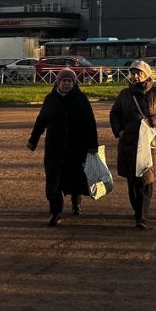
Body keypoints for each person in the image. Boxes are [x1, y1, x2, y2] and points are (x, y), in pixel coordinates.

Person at [28, 68, 98, 226]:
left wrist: (93, 145)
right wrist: (33, 140)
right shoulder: (51, 99)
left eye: (69, 81)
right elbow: (41, 121)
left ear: (73, 83)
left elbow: (90, 123)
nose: (66, 83)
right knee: (53, 181)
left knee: (75, 179)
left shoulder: (81, 99)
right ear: (58, 82)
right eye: (63, 81)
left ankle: (76, 203)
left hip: (76, 148)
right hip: (54, 148)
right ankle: (55, 212)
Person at [109, 60, 156, 229]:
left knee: (146, 179)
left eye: (139, 73)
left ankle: (142, 217)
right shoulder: (124, 94)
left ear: (147, 74)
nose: (135, 76)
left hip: (149, 143)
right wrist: (119, 131)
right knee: (132, 181)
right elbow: (114, 114)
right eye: (133, 73)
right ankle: (137, 211)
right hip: (129, 142)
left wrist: (152, 121)